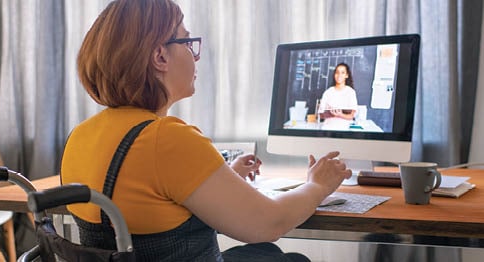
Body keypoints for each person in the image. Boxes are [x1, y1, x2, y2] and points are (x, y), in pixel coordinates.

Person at [60, 0, 352, 261]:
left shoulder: (80, 136)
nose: (195, 55)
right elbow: (268, 224)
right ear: (160, 57)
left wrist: (225, 177)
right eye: (187, 43)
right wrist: (318, 185)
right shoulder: (167, 139)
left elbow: (147, 199)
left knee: (266, 255)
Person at [318, 63, 358, 130]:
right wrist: (330, 113)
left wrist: (340, 115)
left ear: (347, 75)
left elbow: (351, 116)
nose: (339, 75)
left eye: (342, 72)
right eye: (337, 72)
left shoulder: (351, 92)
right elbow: (321, 115)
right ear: (334, 75)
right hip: (327, 129)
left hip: (344, 130)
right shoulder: (328, 92)